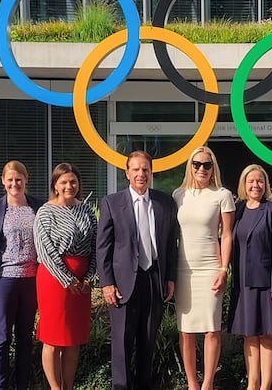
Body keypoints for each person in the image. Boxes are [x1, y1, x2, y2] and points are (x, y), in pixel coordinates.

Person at [97, 151, 180, 390]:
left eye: (145, 169)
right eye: (136, 169)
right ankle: (121, 386)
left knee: (147, 339)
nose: (141, 174)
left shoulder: (165, 202)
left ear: (151, 172)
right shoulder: (112, 203)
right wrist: (106, 283)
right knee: (122, 342)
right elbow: (103, 247)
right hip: (122, 283)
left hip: (154, 279)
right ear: (127, 173)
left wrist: (170, 278)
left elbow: (170, 245)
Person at [172, 146, 235, 390]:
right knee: (186, 331)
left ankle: (208, 383)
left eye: (206, 165)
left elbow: (227, 235)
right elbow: (172, 236)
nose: (201, 169)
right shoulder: (178, 195)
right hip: (183, 270)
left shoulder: (222, 195)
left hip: (210, 269)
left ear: (213, 168)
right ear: (190, 166)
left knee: (211, 328)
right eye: (196, 164)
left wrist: (223, 269)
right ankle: (192, 383)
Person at [0, 160, 43, 390]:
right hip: (3, 280)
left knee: (25, 337)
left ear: (26, 180)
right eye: (10, 179)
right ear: (3, 181)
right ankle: (1, 386)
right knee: (2, 337)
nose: (14, 183)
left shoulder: (38, 206)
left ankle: (23, 384)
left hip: (32, 280)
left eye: (19, 179)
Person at [33, 163, 97, 390]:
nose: (69, 186)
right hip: (54, 279)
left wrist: (89, 277)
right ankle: (54, 387)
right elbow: (45, 251)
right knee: (53, 337)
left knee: (73, 338)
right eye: (64, 182)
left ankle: (68, 386)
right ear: (55, 185)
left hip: (82, 281)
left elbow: (95, 246)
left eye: (73, 181)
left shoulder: (86, 210)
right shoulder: (45, 212)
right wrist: (67, 280)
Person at [228, 164, 272, 390]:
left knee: (267, 335)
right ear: (244, 184)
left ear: (266, 185)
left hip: (265, 284)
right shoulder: (237, 209)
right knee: (249, 335)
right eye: (251, 181)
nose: (255, 185)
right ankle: (252, 384)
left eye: (260, 181)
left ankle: (265, 386)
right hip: (242, 284)